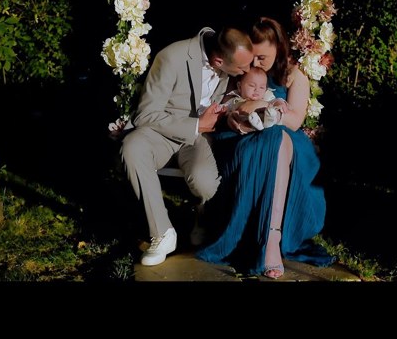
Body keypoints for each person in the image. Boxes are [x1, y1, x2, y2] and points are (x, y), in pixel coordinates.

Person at [196, 17, 334, 279]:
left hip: (285, 139)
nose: (255, 64)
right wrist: (234, 115)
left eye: (262, 58)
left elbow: (294, 121)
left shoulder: (293, 75)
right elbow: (225, 104)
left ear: (278, 48)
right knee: (269, 141)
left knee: (277, 138)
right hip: (243, 137)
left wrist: (266, 109)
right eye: (253, 58)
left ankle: (272, 237)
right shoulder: (242, 70)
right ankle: (252, 232)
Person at [120, 25, 254, 266]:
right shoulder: (171, 57)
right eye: (242, 68)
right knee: (132, 147)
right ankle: (162, 233)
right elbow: (146, 114)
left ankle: (202, 217)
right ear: (218, 61)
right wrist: (196, 124)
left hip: (198, 138)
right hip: (161, 132)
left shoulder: (226, 63)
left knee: (205, 183)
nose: (247, 71)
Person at [222, 66, 286, 132]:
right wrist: (222, 110)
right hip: (244, 124)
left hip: (265, 119)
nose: (257, 90)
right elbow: (225, 107)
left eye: (261, 87)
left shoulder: (266, 97)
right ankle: (252, 125)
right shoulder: (236, 100)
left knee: (271, 112)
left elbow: (275, 101)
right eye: (252, 85)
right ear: (239, 87)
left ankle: (268, 121)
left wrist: (279, 103)